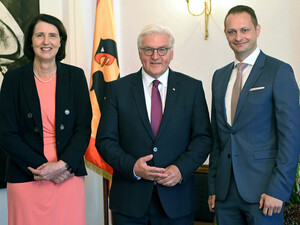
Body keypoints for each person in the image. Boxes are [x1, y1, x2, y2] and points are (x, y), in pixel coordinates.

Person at [95, 24, 213, 225]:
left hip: (177, 202)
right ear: (140, 53)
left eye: (162, 50)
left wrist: (180, 169)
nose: (155, 56)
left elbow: (203, 138)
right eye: (148, 50)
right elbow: (105, 140)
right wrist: (132, 166)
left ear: (172, 53)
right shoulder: (118, 89)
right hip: (129, 203)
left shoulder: (192, 89)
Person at [208, 5, 300, 225]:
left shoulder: (278, 71)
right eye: (232, 32)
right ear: (226, 34)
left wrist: (278, 189)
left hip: (265, 194)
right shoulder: (219, 77)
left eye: (244, 30)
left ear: (257, 30)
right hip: (225, 195)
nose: (238, 37)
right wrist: (213, 186)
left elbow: (291, 136)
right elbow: (217, 138)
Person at [0, 14, 92, 225]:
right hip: (27, 172)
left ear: (60, 41)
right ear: (30, 41)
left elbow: (83, 128)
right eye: (39, 35)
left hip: (68, 175)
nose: (46, 41)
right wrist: (46, 169)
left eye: (52, 35)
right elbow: (6, 133)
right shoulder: (13, 79)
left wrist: (63, 165)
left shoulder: (76, 77)